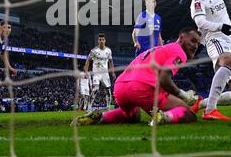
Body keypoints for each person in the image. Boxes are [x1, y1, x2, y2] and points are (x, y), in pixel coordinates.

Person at [72, 27, 201, 126]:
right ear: (181, 37)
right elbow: (164, 79)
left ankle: (101, 116)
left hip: (121, 87)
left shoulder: (160, 49)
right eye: (193, 40)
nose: (195, 46)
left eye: (198, 44)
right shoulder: (179, 51)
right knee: (188, 113)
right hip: (142, 86)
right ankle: (164, 117)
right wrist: (182, 95)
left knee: (132, 116)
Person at [84, 34, 116, 110]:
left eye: (102, 39)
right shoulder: (94, 51)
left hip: (105, 73)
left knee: (108, 91)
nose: (101, 41)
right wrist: (86, 71)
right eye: (100, 39)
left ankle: (108, 107)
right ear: (98, 41)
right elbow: (88, 60)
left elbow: (111, 61)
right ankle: (89, 106)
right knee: (95, 88)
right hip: (96, 73)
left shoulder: (108, 51)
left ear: (105, 41)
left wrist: (113, 72)